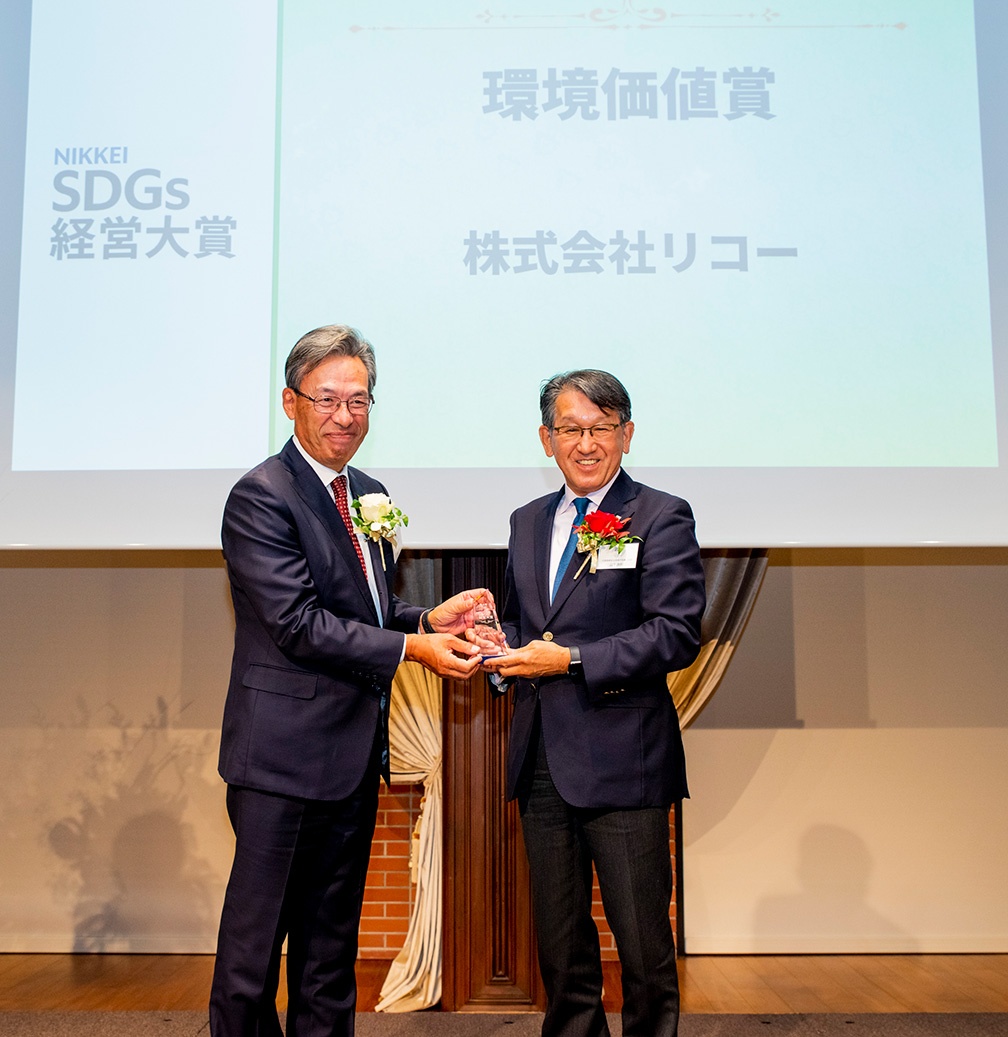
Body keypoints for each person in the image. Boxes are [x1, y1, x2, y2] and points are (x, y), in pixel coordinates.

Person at [210, 324, 486, 1037]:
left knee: (330, 948)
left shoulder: (368, 492)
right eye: (327, 398)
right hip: (278, 759)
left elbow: (368, 609)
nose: (344, 414)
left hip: (351, 758)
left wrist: (431, 618)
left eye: (358, 400)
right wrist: (413, 648)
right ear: (291, 402)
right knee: (253, 951)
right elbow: (299, 623)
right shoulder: (261, 496)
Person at [482, 369, 706, 1037]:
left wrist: (572, 660)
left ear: (626, 434)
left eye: (601, 427)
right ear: (546, 437)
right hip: (542, 758)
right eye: (572, 428)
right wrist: (500, 652)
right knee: (560, 944)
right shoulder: (526, 521)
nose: (587, 443)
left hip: (625, 760)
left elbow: (676, 632)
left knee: (641, 945)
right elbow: (526, 620)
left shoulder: (661, 514)